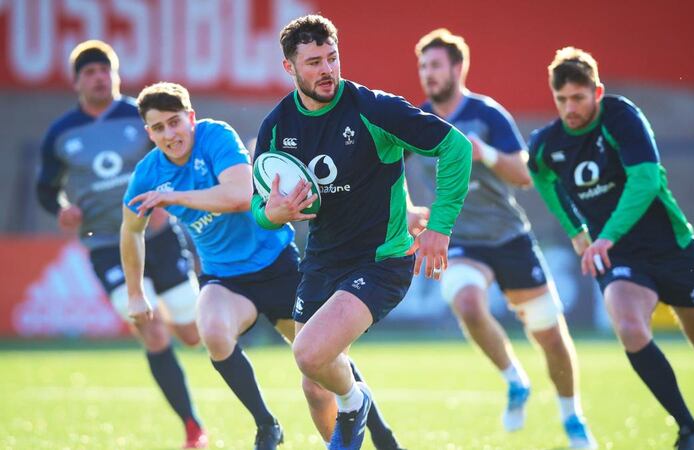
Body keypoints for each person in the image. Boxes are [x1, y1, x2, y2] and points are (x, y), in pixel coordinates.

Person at [122, 82, 405, 450]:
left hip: (277, 266)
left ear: (190, 118)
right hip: (224, 278)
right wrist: (134, 293)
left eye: (175, 122)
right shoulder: (148, 173)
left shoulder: (215, 137)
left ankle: (383, 439)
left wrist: (174, 196)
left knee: (320, 366)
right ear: (149, 132)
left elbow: (241, 196)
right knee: (213, 331)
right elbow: (131, 230)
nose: (170, 134)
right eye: (158, 128)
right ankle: (266, 425)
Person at [528, 46, 694, 450]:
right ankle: (689, 430)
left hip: (671, 247)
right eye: (561, 100)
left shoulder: (621, 117)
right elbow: (538, 174)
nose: (570, 108)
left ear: (597, 91)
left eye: (578, 98)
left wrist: (603, 235)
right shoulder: (547, 143)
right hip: (621, 258)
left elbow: (645, 181)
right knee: (628, 326)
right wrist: (575, 228)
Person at [252, 14, 472, 450]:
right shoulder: (277, 126)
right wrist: (273, 213)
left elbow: (456, 147)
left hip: (382, 261)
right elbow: (259, 207)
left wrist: (440, 228)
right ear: (289, 68)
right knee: (315, 385)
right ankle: (354, 408)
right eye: (313, 62)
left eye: (332, 58)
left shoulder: (374, 108)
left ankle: (355, 402)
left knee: (309, 353)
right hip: (322, 260)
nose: (327, 69)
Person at [406, 29, 597, 448]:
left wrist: (485, 153)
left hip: (508, 237)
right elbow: (385, 171)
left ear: (458, 68)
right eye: (423, 67)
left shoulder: (487, 115)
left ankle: (572, 416)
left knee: (549, 334)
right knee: (469, 303)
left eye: (435, 65)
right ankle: (515, 379)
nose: (428, 74)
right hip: (458, 241)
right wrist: (403, 210)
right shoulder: (417, 123)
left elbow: (526, 175)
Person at [35, 41, 206, 449]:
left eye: (105, 70)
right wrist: (61, 210)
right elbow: (46, 190)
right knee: (150, 329)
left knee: (192, 333)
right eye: (90, 72)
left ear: (116, 75)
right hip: (106, 245)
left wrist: (170, 198)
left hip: (159, 237)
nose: (98, 78)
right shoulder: (60, 133)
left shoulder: (141, 116)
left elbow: (178, 157)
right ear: (77, 81)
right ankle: (192, 427)